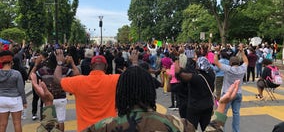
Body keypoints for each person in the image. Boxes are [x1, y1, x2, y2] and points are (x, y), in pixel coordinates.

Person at [32, 65, 240, 132]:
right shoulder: (176, 125)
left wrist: (49, 105)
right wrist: (221, 109)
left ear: (120, 94)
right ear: (150, 92)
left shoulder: (103, 127)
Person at [54, 49, 120, 131]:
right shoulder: (114, 80)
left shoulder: (79, 81)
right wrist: (134, 63)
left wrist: (59, 63)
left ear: (90, 66)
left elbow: (57, 79)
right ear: (106, 66)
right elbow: (134, 79)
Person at [32, 51, 79, 131]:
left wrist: (36, 64)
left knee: (49, 121)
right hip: (61, 98)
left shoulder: (42, 71)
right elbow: (77, 74)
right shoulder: (64, 70)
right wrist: (72, 63)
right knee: (60, 120)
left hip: (47, 98)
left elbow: (31, 76)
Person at [175, 56, 215, 131]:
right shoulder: (211, 74)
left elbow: (179, 73)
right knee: (206, 128)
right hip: (208, 106)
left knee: (191, 128)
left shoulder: (196, 78)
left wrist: (176, 60)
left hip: (195, 107)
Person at [214, 43, 248, 132]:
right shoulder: (242, 69)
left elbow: (216, 62)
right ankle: (236, 130)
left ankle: (221, 130)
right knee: (236, 113)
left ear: (230, 63)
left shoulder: (228, 69)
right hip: (238, 93)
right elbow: (246, 61)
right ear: (238, 62)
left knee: (223, 113)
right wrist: (242, 52)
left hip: (227, 93)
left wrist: (216, 52)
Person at [0, 50, 27, 132]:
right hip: (15, 99)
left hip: (1, 99)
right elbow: (21, 89)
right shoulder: (16, 73)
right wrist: (24, 101)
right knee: (17, 123)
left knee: (2, 124)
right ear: (11, 61)